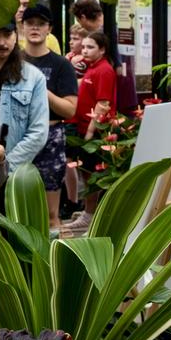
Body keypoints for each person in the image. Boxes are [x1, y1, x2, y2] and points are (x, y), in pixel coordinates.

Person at [20, 3, 77, 230]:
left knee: (50, 213)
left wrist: (42, 90)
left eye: (40, 24)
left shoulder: (61, 65)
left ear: (49, 29)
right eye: (30, 24)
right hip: (18, 136)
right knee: (16, 208)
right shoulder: (12, 62)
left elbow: (70, 109)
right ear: (22, 27)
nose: (35, 28)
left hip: (50, 136)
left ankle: (53, 261)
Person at [0, 22, 49, 187]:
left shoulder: (33, 77)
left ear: (16, 36)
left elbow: (38, 132)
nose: (1, 42)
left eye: (7, 34)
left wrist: (5, 165)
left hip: (13, 177)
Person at [62, 30, 117, 237]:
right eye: (83, 46)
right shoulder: (93, 69)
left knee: (93, 175)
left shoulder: (104, 70)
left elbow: (103, 104)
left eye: (90, 47)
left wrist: (90, 133)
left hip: (94, 132)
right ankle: (89, 213)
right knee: (86, 172)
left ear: (102, 49)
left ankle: (91, 216)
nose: (84, 50)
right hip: (83, 128)